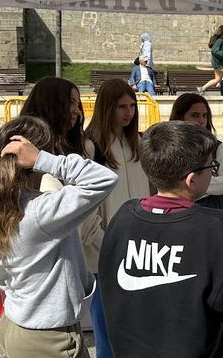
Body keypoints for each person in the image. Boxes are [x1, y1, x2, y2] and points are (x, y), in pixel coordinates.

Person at [98, 121, 223, 358]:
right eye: (211, 167)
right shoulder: (217, 228)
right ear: (191, 179)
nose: (213, 172)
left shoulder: (122, 218)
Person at [0, 116, 118, 358]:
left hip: (15, 324)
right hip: (48, 337)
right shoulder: (41, 212)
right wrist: (46, 160)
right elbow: (104, 179)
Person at [82, 79, 151, 358]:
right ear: (107, 108)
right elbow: (87, 206)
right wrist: (102, 241)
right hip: (106, 248)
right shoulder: (90, 147)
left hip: (140, 244)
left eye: (132, 106)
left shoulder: (140, 142)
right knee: (106, 324)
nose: (128, 112)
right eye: (121, 106)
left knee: (138, 319)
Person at [169, 93, 223, 209]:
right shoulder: (168, 146)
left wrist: (189, 185)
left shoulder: (216, 146)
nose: (201, 120)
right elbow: (169, 185)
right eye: (195, 115)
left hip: (211, 209)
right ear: (180, 117)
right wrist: (212, 184)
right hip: (177, 209)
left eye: (204, 115)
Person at [19, 77, 86, 156]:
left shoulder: (77, 144)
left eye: (78, 104)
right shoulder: (19, 146)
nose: (77, 111)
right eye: (71, 102)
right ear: (49, 104)